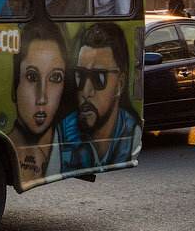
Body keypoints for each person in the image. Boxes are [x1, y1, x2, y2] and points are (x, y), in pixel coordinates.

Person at [57, 22, 142, 170]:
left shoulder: (131, 131)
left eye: (99, 78)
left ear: (120, 83)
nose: (86, 91)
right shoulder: (62, 132)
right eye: (80, 76)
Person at [10, 23, 72, 178]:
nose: (42, 97)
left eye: (55, 78)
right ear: (14, 85)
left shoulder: (74, 149)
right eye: (32, 77)